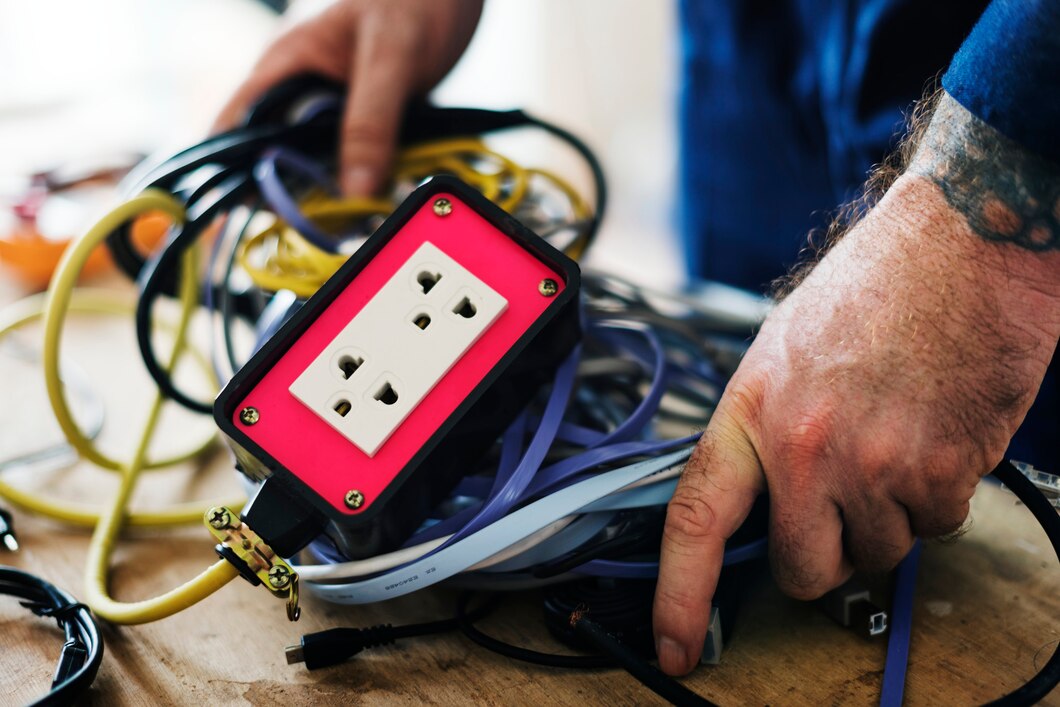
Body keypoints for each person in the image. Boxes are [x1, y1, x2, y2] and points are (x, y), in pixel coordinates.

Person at [216, 0, 1059, 676]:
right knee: (748, 423)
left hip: (1016, 124)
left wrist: (984, 206)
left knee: (977, 498)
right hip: (761, 37)